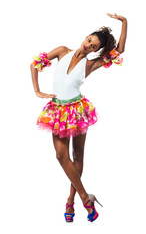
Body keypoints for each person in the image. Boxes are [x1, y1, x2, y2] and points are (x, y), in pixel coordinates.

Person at [30, 13, 127, 222]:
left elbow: (119, 50)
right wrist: (38, 91)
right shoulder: (62, 51)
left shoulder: (90, 65)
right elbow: (34, 64)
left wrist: (124, 22)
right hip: (57, 111)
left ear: (96, 51)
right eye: (89, 40)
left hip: (78, 111)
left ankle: (71, 201)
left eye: (93, 46)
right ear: (86, 37)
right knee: (60, 156)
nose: (88, 45)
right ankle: (86, 198)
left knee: (78, 156)